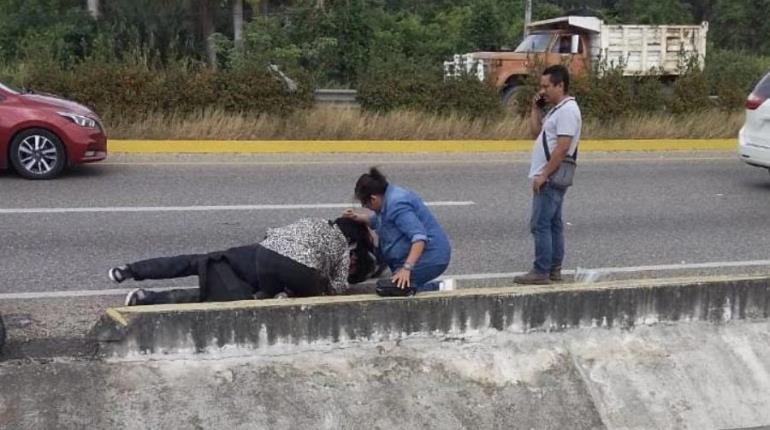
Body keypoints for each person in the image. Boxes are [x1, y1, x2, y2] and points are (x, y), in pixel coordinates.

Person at [108, 217, 369, 305]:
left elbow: (272, 237)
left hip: (242, 256)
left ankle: (129, 271)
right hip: (243, 279)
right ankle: (144, 298)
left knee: (190, 263)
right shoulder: (336, 254)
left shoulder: (309, 225)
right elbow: (336, 289)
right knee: (202, 297)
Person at [514, 64, 582, 285]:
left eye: (546, 86)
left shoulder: (569, 111)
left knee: (540, 223)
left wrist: (544, 174)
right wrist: (535, 109)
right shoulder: (557, 110)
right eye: (541, 86)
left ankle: (541, 270)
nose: (542, 90)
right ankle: (553, 269)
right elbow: (535, 133)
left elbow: (562, 147)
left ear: (560, 85)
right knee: (553, 223)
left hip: (552, 176)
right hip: (551, 175)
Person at [344, 168, 451, 293]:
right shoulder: (387, 197)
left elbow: (419, 238)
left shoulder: (397, 205)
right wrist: (357, 217)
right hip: (408, 257)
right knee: (392, 284)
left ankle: (439, 288)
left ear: (373, 199)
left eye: (364, 203)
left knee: (392, 288)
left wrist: (407, 268)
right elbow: (381, 221)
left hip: (431, 256)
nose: (365, 207)